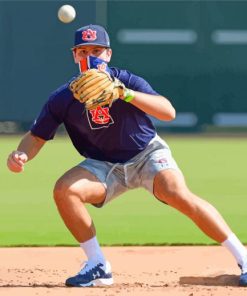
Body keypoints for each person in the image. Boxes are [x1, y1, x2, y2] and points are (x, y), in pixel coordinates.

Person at [7, 24, 247, 287]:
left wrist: (126, 93)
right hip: (103, 165)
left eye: (97, 50)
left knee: (177, 193)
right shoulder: (64, 97)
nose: (91, 56)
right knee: (65, 190)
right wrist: (21, 154)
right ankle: (98, 265)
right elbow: (36, 136)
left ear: (108, 54)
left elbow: (168, 112)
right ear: (75, 55)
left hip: (146, 154)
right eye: (84, 50)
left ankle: (244, 258)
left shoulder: (127, 80)